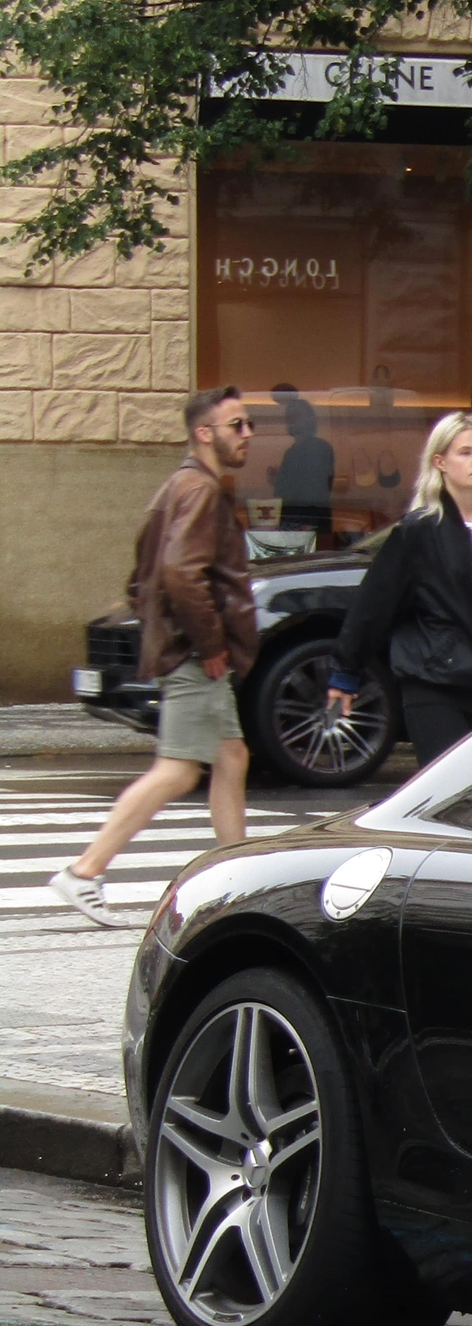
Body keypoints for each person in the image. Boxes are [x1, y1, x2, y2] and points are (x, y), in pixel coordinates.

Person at [49, 387, 259, 927]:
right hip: (196, 656)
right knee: (176, 770)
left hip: (188, 650)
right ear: (204, 433)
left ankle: (236, 880)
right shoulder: (200, 491)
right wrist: (211, 645)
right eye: (237, 425)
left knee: (231, 757)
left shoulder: (180, 486)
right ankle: (85, 871)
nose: (247, 434)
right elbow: (179, 575)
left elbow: (144, 575)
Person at [326, 412, 472, 765]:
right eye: (465, 453)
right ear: (440, 462)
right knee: (446, 795)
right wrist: (345, 674)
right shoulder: (419, 530)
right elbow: (374, 604)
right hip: (433, 681)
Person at [271, 388, 336, 539]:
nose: (290, 422)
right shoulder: (295, 451)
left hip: (304, 527)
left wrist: (308, 525)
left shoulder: (316, 448)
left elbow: (316, 490)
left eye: (295, 417)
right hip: (296, 525)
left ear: (309, 419)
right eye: (289, 417)